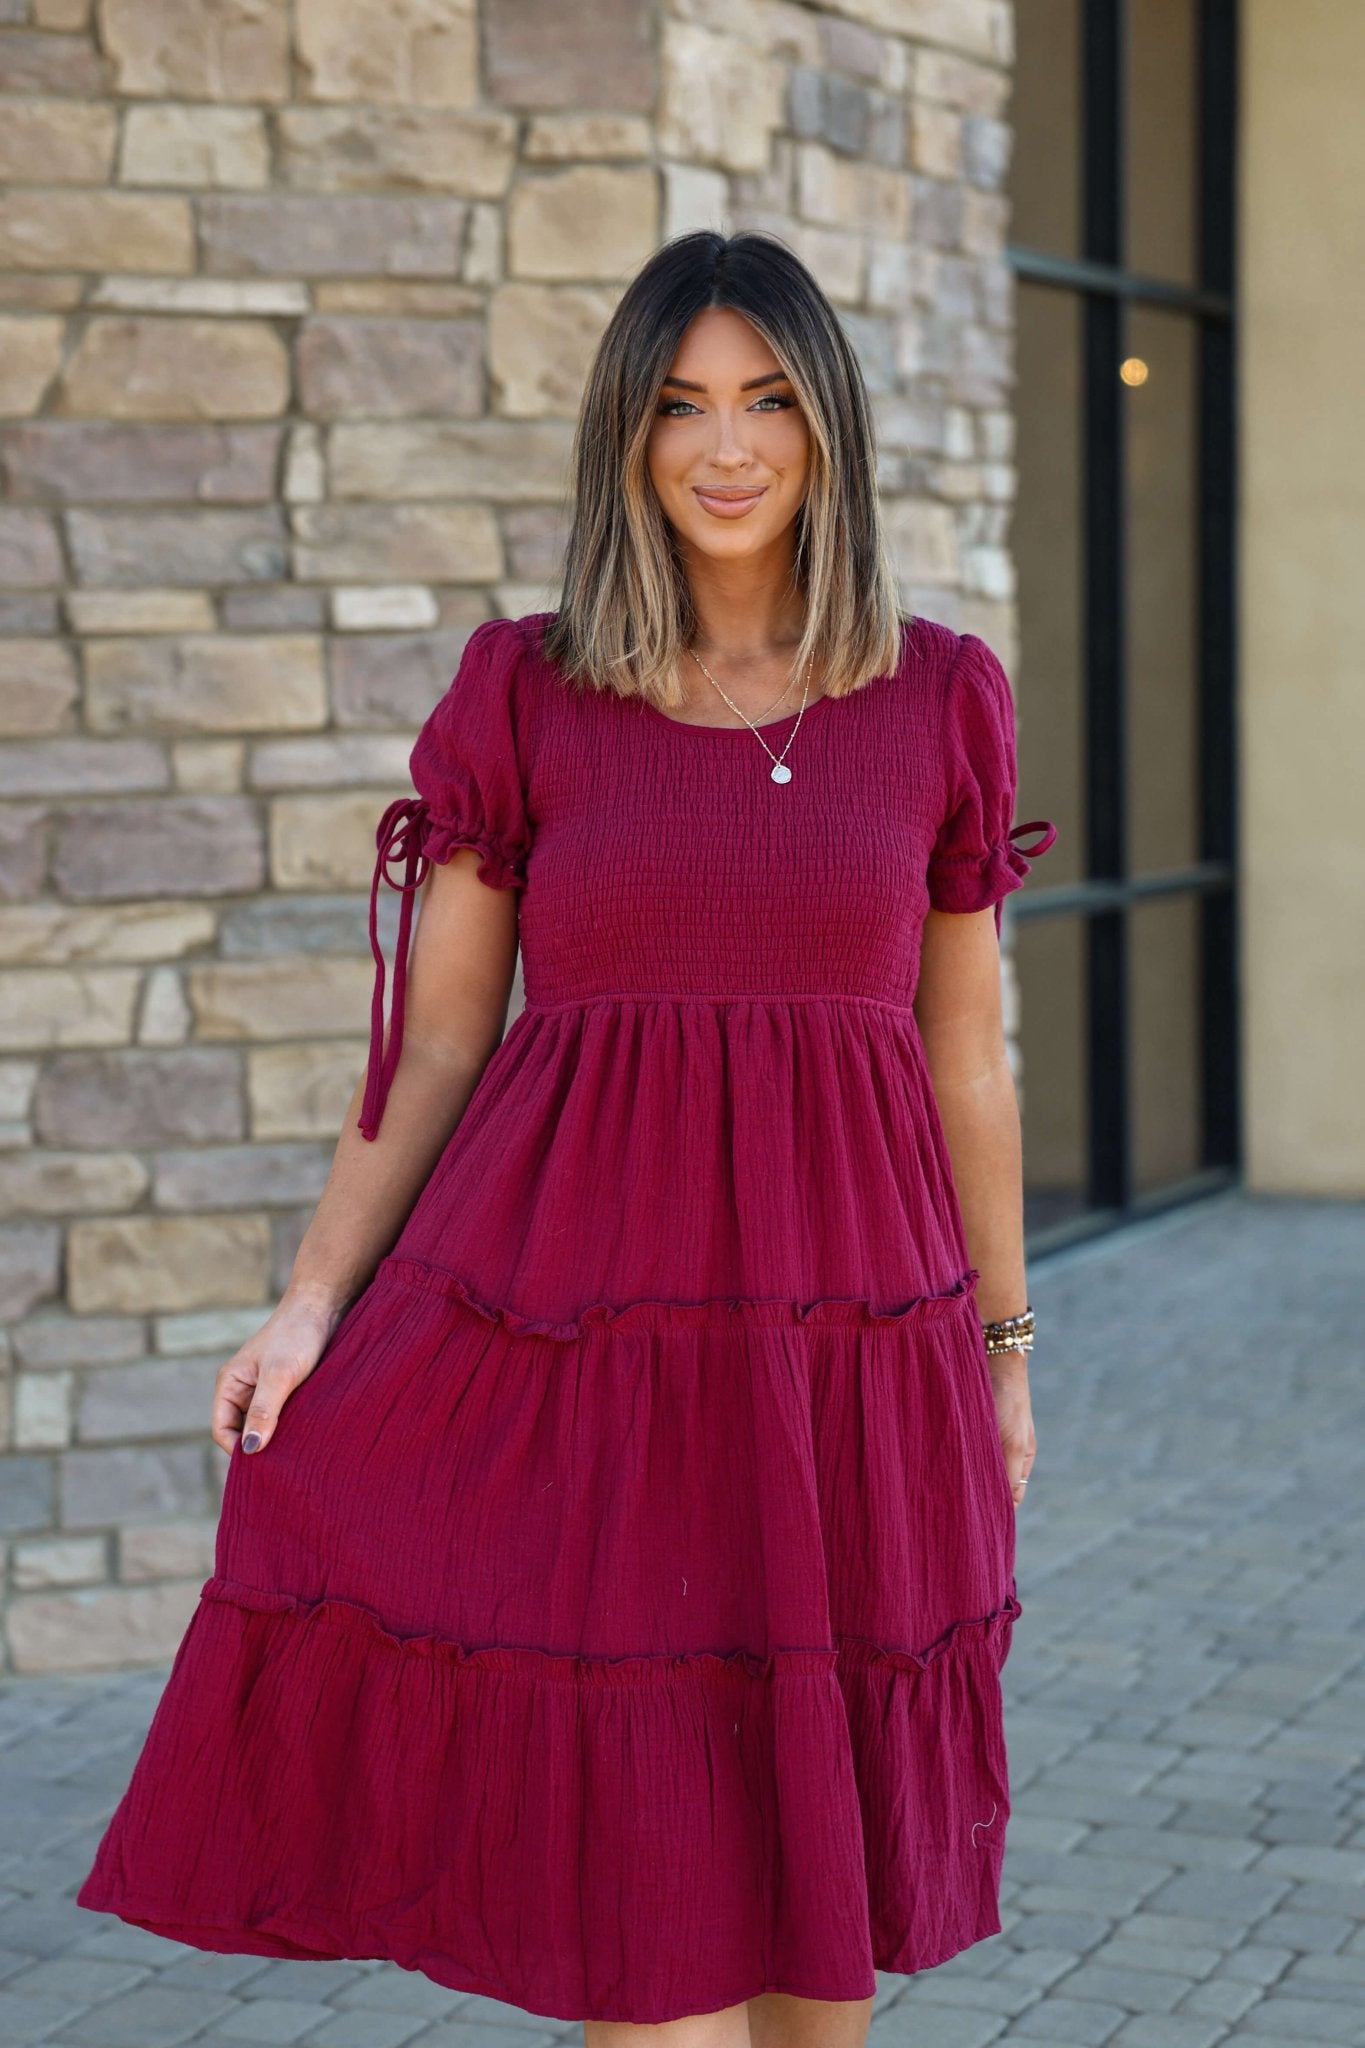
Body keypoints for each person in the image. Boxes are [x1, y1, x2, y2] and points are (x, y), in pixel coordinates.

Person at [77, 229, 1057, 2048]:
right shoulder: (529, 689)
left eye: (767, 398)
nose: (725, 445)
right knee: (646, 1927)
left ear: (827, 424)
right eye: (678, 406)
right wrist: (308, 1301)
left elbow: (967, 1061)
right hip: (584, 1350)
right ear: (624, 440)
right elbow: (443, 1038)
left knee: (816, 1957)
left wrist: (1002, 1352)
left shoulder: (938, 697)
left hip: (847, 1355)